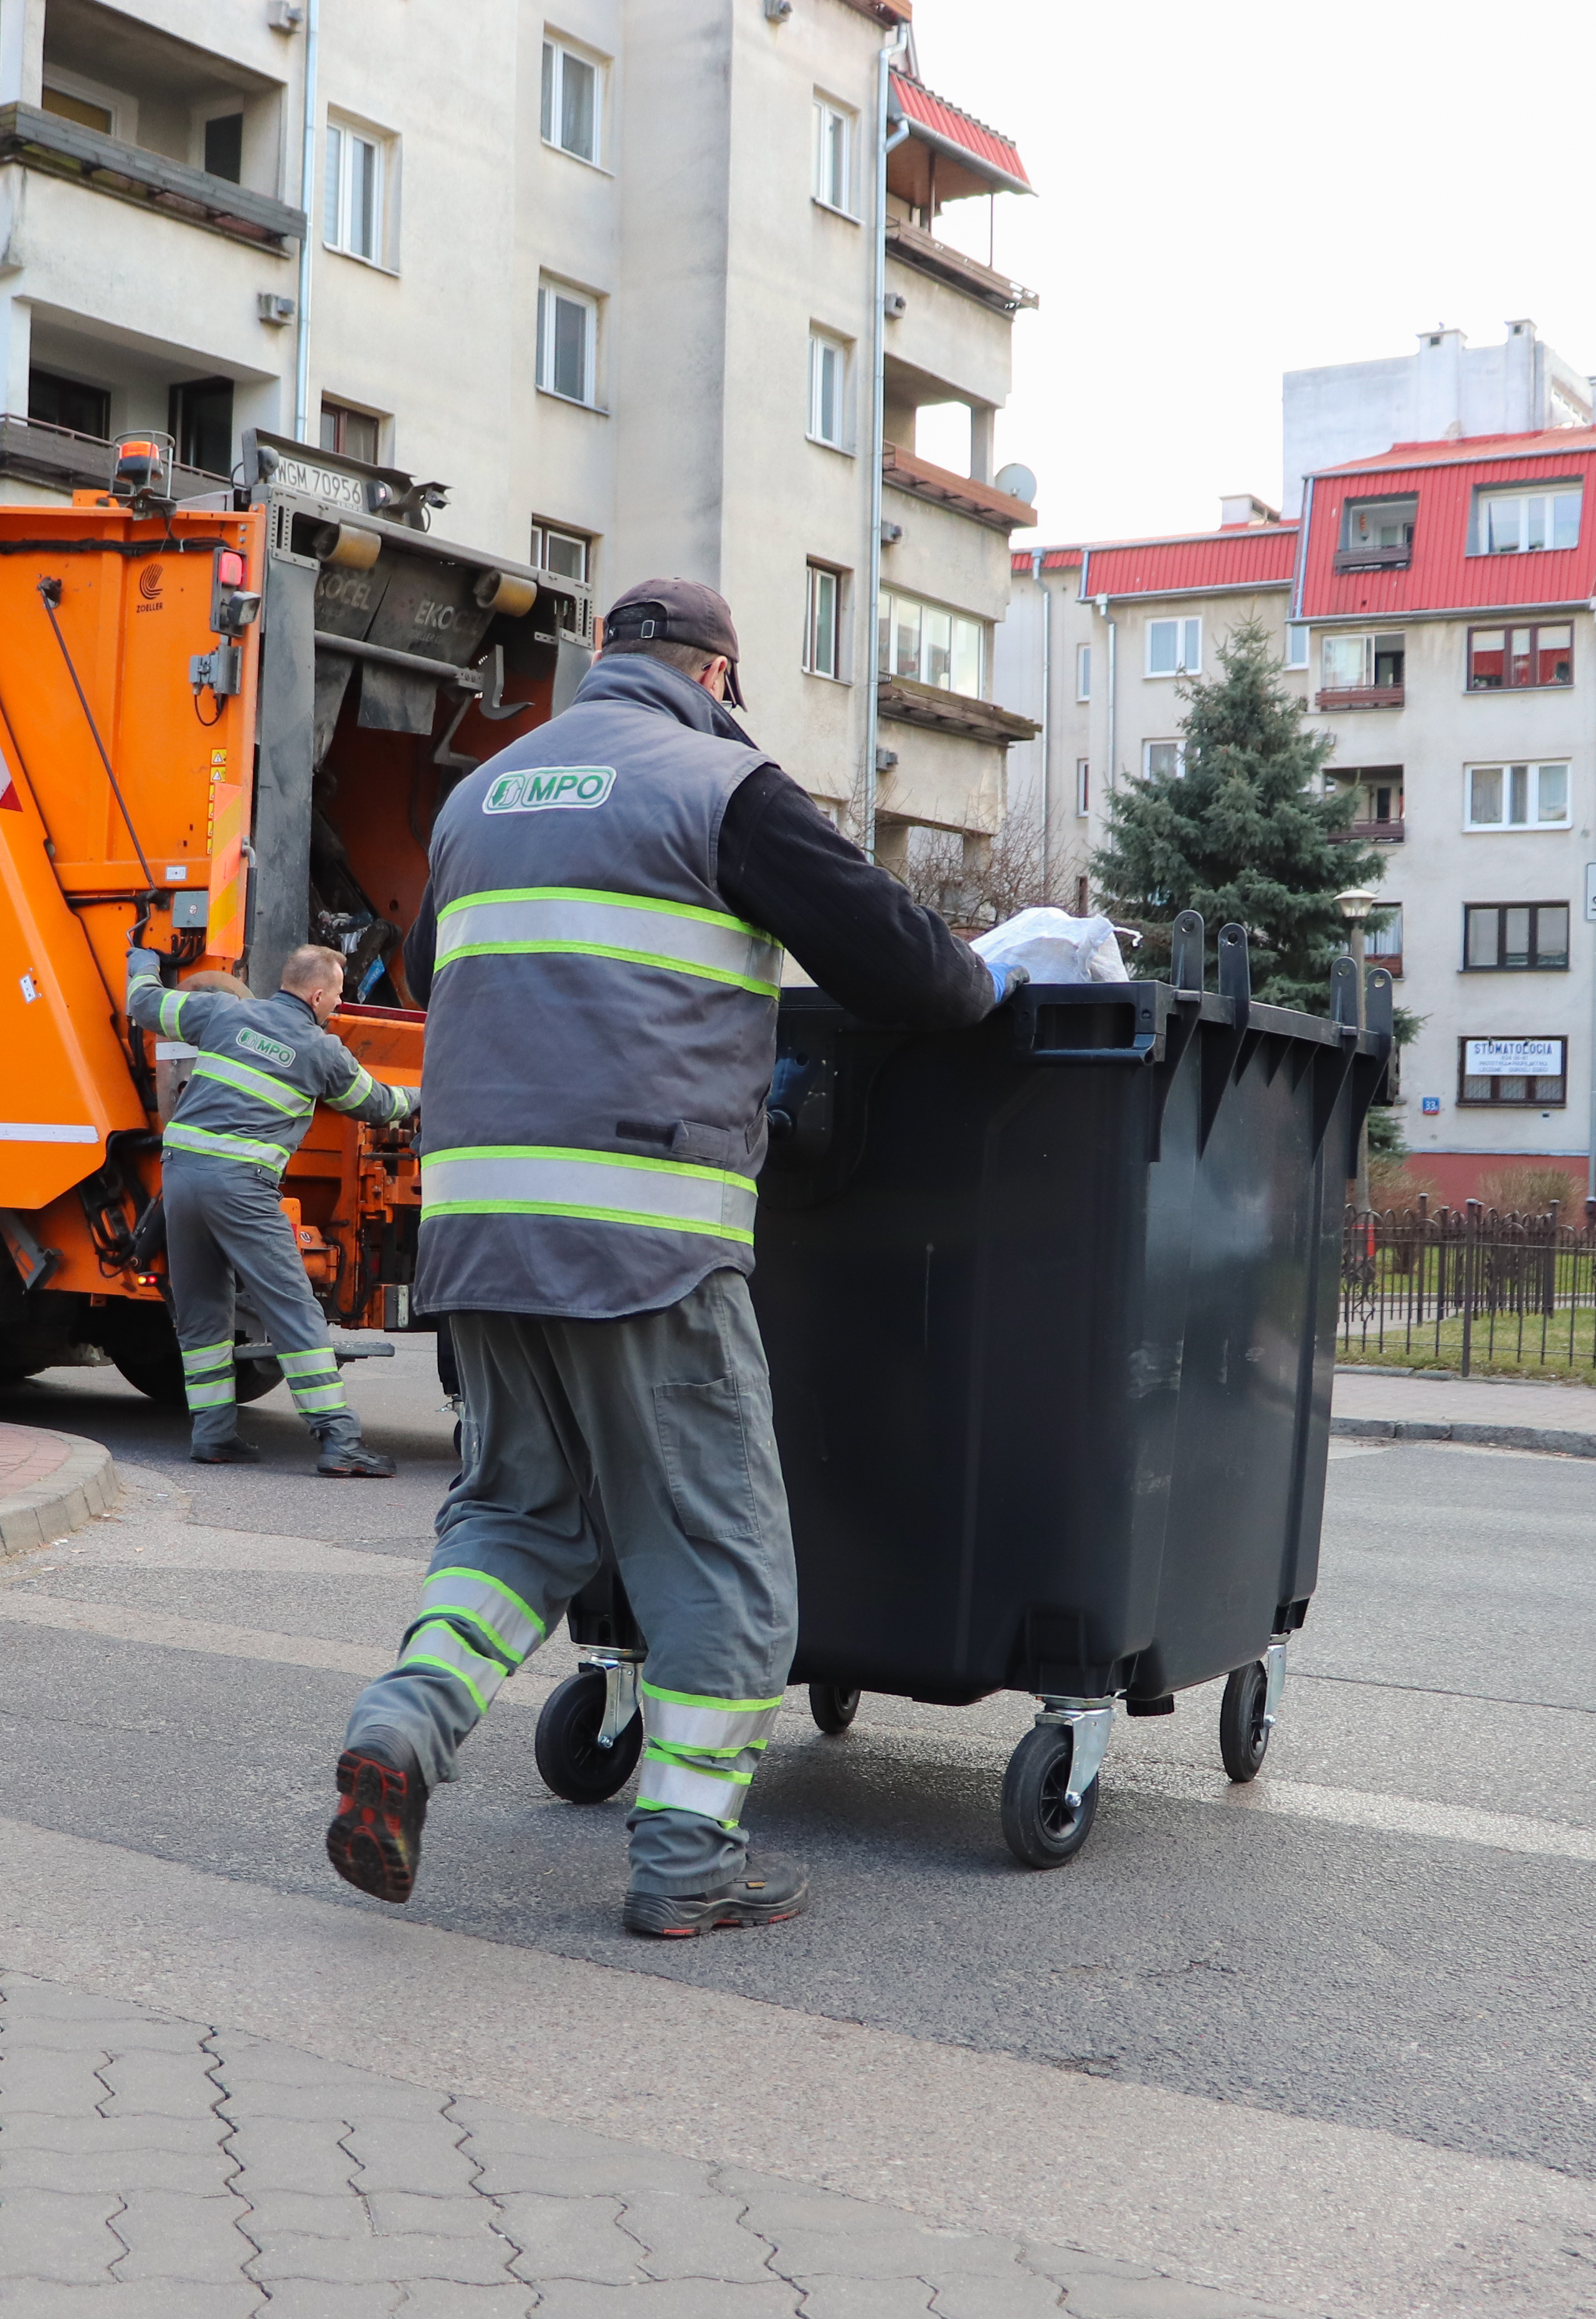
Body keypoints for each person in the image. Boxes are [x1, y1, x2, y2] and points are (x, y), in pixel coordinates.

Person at [325, 577, 1010, 1939]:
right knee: (722, 1548)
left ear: (602, 665)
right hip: (643, 1232)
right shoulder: (721, 783)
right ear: (715, 674)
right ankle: (690, 1851)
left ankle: (402, 1719)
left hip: (478, 1231)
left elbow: (426, 969)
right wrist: (994, 988)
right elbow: (909, 970)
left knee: (518, 1519)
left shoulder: (478, 797)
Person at [125, 941, 418, 1477]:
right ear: (316, 993)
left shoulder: (222, 1012)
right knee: (294, 1309)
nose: (338, 1004)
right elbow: (378, 1105)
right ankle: (340, 1440)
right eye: (337, 995)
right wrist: (425, 1094)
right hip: (241, 1187)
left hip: (182, 1179)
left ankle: (213, 1435)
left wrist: (143, 957)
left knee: (202, 1313)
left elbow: (145, 1004)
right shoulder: (321, 1050)